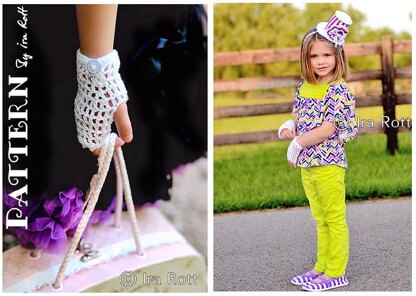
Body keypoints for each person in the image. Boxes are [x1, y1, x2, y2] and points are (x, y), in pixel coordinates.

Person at [277, 11, 358, 292]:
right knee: (319, 218)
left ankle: (337, 271)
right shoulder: (305, 87)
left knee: (334, 217)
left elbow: (326, 129)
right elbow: (300, 118)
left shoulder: (338, 89)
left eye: (327, 55)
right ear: (306, 59)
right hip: (309, 165)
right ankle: (321, 267)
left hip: (329, 162)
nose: (321, 62)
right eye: (314, 56)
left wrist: (297, 145)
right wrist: (290, 127)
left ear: (338, 56)